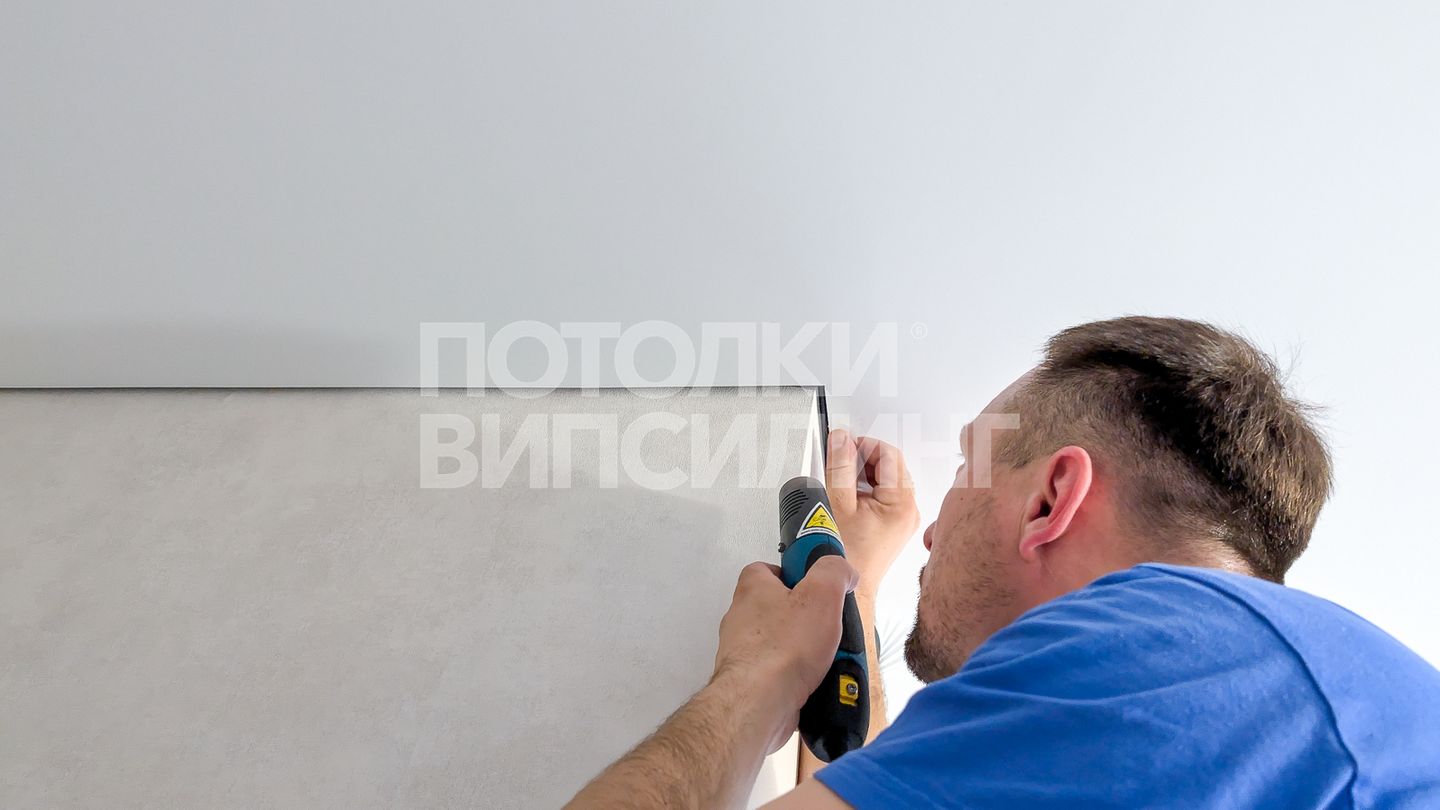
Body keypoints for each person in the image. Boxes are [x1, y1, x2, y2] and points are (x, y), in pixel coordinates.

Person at [566, 316, 1440, 808]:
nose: (933, 533)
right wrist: (849, 603)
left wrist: (755, 677)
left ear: (1051, 500)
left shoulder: (1162, 652)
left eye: (965, 470)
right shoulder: (1249, 689)